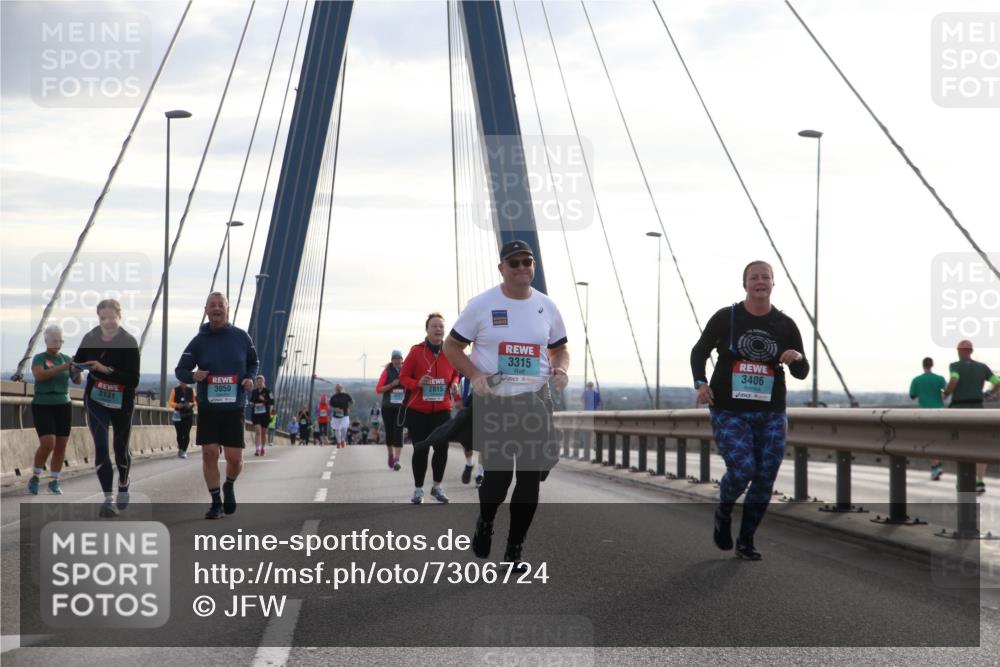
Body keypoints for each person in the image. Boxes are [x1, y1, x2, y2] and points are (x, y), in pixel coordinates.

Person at [444, 240, 569, 566]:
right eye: (514, 263)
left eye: (527, 261)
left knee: (529, 478)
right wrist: (473, 375)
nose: (522, 267)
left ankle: (515, 549)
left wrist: (562, 368)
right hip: (495, 402)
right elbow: (452, 347)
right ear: (502, 268)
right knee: (498, 481)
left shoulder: (547, 306)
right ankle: (486, 522)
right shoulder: (482, 305)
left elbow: (560, 348)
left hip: (534, 402)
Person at [691, 260, 809, 561]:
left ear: (773, 283)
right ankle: (725, 509)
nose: (760, 281)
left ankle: (746, 540)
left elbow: (802, 371)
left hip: (770, 411)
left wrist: (796, 358)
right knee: (743, 469)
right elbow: (699, 351)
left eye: (765, 277)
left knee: (766, 476)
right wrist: (701, 384)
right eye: (754, 277)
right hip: (729, 409)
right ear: (745, 284)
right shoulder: (726, 317)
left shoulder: (785, 324)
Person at [176, 292, 258, 520]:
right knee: (209, 454)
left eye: (220, 305)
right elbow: (180, 370)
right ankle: (215, 503)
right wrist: (194, 375)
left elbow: (254, 362)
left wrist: (250, 378)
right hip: (208, 407)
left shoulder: (241, 337)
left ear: (227, 309)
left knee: (234, 459)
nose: (216, 309)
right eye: (212, 305)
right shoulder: (198, 341)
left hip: (234, 407)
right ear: (205, 310)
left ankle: (229, 484)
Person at [74, 298, 141, 517]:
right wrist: (74, 370)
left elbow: (133, 380)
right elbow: (77, 362)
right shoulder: (90, 337)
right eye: (103, 318)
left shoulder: (128, 342)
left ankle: (123, 482)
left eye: (112, 317)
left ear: (119, 317)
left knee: (120, 448)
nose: (108, 322)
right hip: (96, 399)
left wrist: (106, 370)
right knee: (101, 446)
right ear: (98, 318)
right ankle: (108, 499)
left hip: (122, 401)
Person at [400, 313, 460, 504]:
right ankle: (418, 490)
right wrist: (417, 383)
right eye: (434, 326)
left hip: (442, 409)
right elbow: (403, 378)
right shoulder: (416, 351)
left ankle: (437, 487)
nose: (438, 329)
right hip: (418, 411)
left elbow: (456, 373)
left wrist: (454, 383)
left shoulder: (451, 351)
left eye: (441, 327)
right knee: (421, 450)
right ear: (427, 329)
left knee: (442, 448)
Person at [27, 324, 83, 495]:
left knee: (61, 444)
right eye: (55, 340)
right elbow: (40, 376)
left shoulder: (65, 358)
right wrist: (64, 367)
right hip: (43, 403)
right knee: (48, 442)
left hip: (63, 404)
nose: (58, 343)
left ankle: (55, 480)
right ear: (46, 340)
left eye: (60, 340)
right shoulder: (39, 358)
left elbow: (78, 381)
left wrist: (76, 368)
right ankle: (36, 476)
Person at [943, 340, 1000, 493]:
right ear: (971, 351)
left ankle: (963, 480)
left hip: (959, 410)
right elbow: (998, 382)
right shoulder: (982, 367)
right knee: (980, 446)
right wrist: (989, 394)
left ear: (959, 351)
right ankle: (979, 481)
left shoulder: (955, 366)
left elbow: (954, 379)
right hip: (977, 410)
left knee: (960, 445)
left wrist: (946, 393)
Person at [909, 357, 946, 480]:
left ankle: (935, 467)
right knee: (938, 439)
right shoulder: (940, 379)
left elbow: (912, 396)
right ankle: (937, 465)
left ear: (923, 365)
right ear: (932, 365)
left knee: (929, 441)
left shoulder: (917, 380)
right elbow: (946, 392)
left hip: (925, 414)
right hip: (940, 413)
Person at [375, 350, 406, 470]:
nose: (397, 360)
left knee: (399, 431)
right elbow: (378, 389)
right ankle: (390, 454)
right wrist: (392, 385)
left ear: (402, 359)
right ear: (392, 360)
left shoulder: (406, 370)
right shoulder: (387, 372)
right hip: (388, 407)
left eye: (399, 358)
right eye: (395, 358)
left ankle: (397, 460)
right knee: (389, 433)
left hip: (401, 407)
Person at [168, 380, 196, 459]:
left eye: (184, 381)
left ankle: (184, 450)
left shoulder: (191, 390)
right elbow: (170, 402)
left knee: (186, 433)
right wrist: (177, 405)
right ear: (179, 382)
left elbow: (196, 401)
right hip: (178, 415)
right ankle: (180, 448)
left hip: (188, 415)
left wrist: (191, 404)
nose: (183, 383)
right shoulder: (175, 390)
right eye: (181, 381)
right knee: (179, 434)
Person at [250, 375, 274, 457]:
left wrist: (264, 400)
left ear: (264, 382)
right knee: (258, 431)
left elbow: (272, 402)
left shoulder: (268, 391)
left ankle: (263, 448)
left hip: (265, 415)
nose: (259, 383)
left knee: (263, 433)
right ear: (256, 383)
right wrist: (251, 403)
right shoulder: (254, 392)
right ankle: (257, 449)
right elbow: (251, 401)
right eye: (258, 382)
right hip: (256, 414)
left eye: (261, 381)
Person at [330, 384, 354, 448]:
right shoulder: (333, 397)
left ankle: (343, 440)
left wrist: (348, 408)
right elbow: (330, 406)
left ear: (342, 388)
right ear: (335, 389)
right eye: (337, 388)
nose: (338, 389)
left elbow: (352, 402)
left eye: (340, 388)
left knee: (344, 428)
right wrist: (334, 409)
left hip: (345, 415)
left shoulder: (346, 395)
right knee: (337, 429)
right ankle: (338, 442)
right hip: (336, 416)